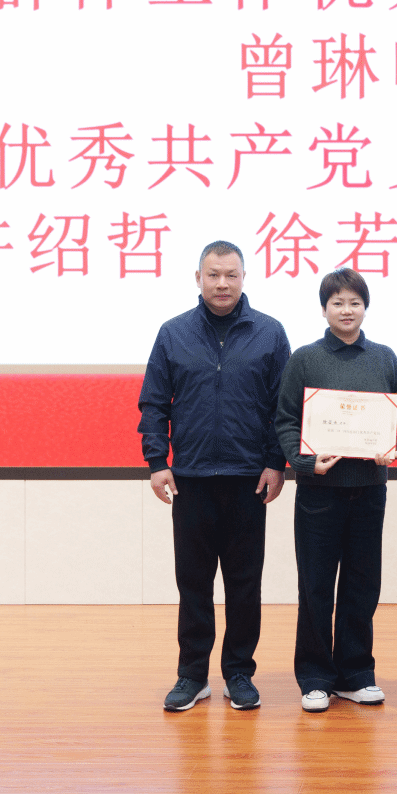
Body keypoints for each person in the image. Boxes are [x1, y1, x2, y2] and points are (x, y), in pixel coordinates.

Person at [138, 240, 292, 713]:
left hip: (249, 479)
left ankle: (239, 673)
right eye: (213, 275)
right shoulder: (173, 333)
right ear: (198, 278)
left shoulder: (269, 333)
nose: (222, 283)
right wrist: (157, 462)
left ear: (244, 278)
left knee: (245, 584)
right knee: (194, 583)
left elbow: (282, 407)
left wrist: (276, 462)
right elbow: (153, 403)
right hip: (191, 478)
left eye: (231, 275)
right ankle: (192, 675)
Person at [272, 267, 397, 713]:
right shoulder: (305, 358)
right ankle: (314, 677)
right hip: (319, 491)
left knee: (362, 585)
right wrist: (305, 462)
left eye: (355, 303)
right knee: (315, 586)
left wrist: (393, 446)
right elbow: (286, 420)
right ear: (324, 309)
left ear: (366, 307)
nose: (347, 311)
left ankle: (355, 674)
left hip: (369, 489)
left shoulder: (384, 357)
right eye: (337, 303)